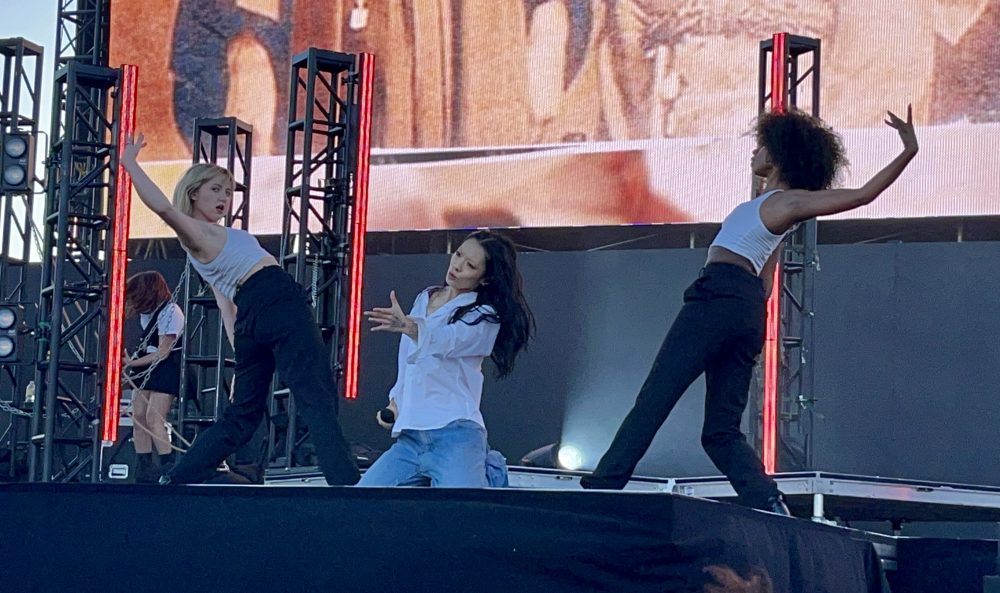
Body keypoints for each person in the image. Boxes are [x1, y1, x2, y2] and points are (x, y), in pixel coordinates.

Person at [580, 106, 919, 512]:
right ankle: (766, 498)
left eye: (760, 146)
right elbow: (764, 278)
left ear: (777, 155)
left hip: (718, 297)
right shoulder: (771, 209)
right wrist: (749, 319)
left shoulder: (786, 203)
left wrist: (908, 149)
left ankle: (605, 484)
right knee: (720, 431)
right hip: (744, 308)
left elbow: (862, 195)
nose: (753, 152)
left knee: (658, 394)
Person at [120, 133, 360, 486]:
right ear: (193, 193)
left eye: (227, 191)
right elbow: (164, 209)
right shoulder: (195, 234)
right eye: (215, 189)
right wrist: (129, 164)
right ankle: (346, 484)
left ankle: (178, 478)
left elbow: (225, 301)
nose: (223, 198)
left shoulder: (213, 239)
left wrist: (241, 352)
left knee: (242, 415)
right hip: (276, 299)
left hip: (252, 316)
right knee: (315, 393)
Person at [359, 230, 534, 487]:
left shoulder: (485, 315)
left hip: (456, 434)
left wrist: (412, 327)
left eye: (470, 265)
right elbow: (408, 361)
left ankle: (491, 470)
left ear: (484, 279)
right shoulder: (426, 297)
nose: (457, 266)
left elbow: (449, 340)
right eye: (459, 254)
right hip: (412, 437)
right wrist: (395, 403)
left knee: (464, 513)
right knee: (362, 501)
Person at [123, 271, 184, 483]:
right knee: (138, 416)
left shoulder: (171, 312)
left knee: (153, 417)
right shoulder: (147, 313)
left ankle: (168, 464)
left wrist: (131, 363)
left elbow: (163, 351)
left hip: (165, 368)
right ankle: (144, 468)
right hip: (145, 366)